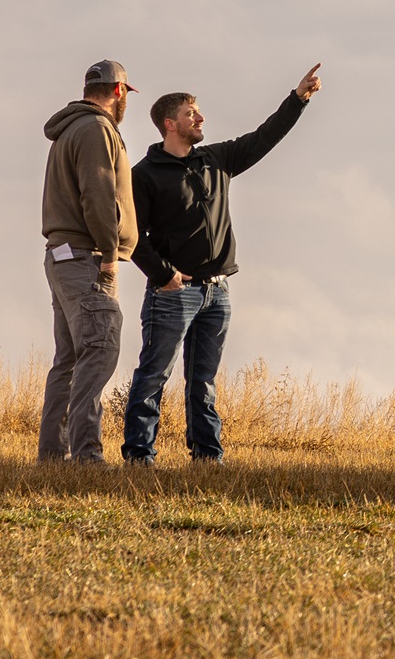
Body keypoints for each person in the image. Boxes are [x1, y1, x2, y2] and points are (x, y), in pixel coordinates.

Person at [122, 64, 323, 463]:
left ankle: (207, 457)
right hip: (173, 293)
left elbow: (263, 138)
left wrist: (297, 99)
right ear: (170, 124)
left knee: (203, 382)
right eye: (191, 113)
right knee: (153, 376)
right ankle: (139, 457)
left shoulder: (216, 159)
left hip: (218, 292)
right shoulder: (144, 175)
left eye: (197, 112)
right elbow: (130, 236)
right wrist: (163, 276)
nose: (200, 118)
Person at [39, 59, 139, 464]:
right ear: (118, 92)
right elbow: (98, 197)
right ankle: (86, 454)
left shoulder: (68, 129)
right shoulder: (97, 129)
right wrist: (110, 254)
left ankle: (52, 454)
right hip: (87, 257)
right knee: (100, 348)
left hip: (62, 256)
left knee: (70, 358)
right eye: (126, 94)